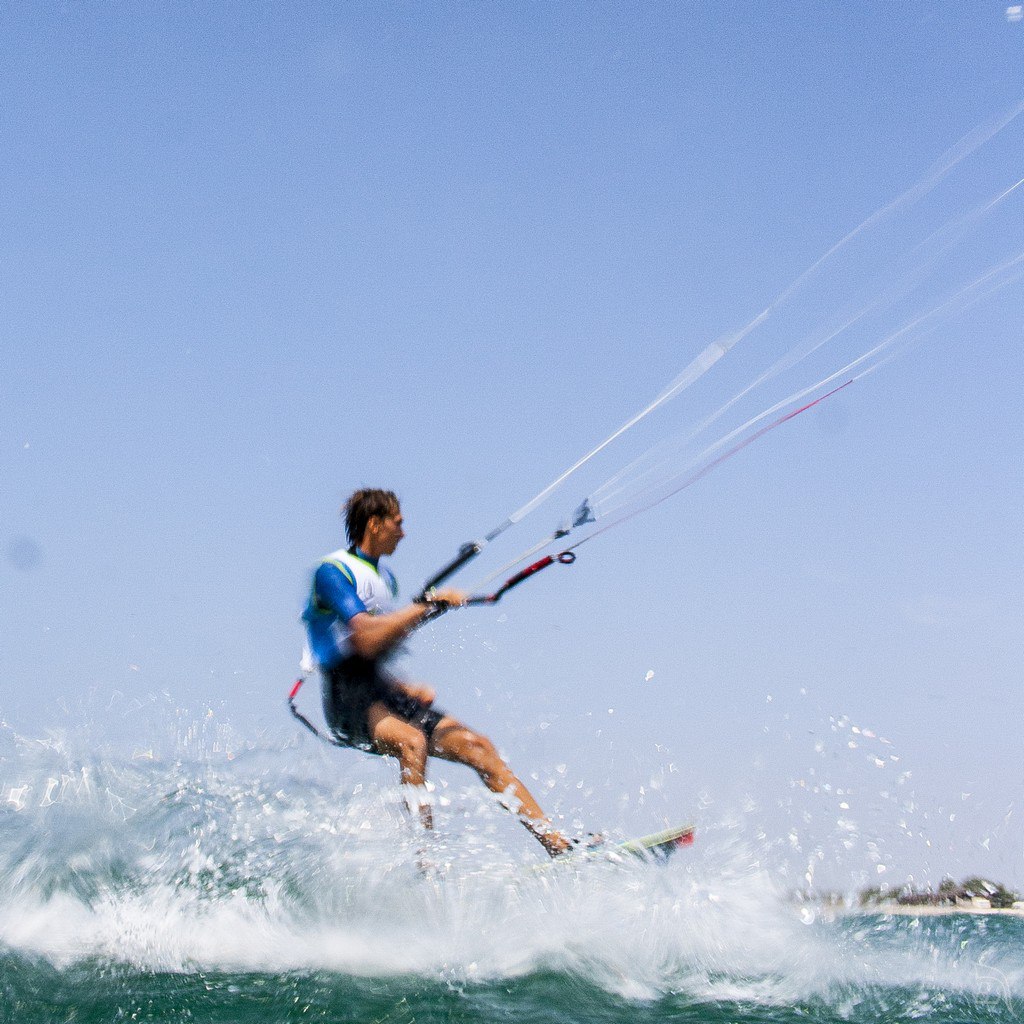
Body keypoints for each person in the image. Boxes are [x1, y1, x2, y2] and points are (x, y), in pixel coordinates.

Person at [302, 488, 572, 857]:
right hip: (346, 697)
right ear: (375, 524)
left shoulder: (386, 580)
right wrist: (424, 607)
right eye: (398, 522)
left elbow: (380, 649)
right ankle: (424, 866)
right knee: (412, 742)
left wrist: (404, 681)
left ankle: (560, 848)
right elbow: (363, 639)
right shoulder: (332, 572)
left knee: (478, 748)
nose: (404, 531)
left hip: (379, 689)